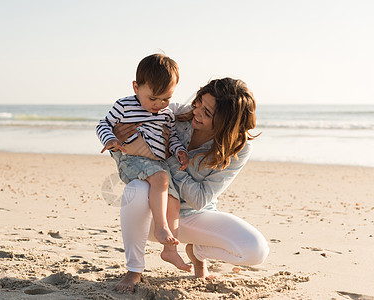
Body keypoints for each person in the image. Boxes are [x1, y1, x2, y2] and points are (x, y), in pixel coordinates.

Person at [112, 77, 270, 293]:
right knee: (135, 189)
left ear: (226, 122)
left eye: (207, 113)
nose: (196, 111)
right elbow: (133, 162)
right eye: (198, 103)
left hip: (196, 216)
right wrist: (119, 141)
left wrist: (170, 159)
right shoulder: (171, 115)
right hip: (154, 219)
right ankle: (134, 270)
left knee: (255, 250)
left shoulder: (239, 147)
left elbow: (200, 199)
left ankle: (198, 252)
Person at [96, 54, 191, 272]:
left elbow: (172, 136)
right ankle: (161, 227)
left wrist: (179, 150)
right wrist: (109, 139)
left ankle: (170, 251)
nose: (159, 105)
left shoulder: (166, 113)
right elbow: (104, 124)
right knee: (161, 178)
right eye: (153, 98)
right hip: (130, 159)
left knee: (173, 200)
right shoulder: (123, 106)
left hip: (158, 163)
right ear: (136, 87)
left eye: (166, 99)